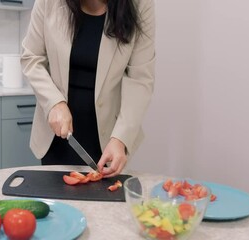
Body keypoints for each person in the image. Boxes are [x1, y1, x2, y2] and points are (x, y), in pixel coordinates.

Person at [20, 0, 155, 178]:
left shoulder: (140, 4)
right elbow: (32, 57)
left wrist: (121, 138)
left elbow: (140, 79)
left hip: (109, 136)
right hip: (57, 133)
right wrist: (54, 103)